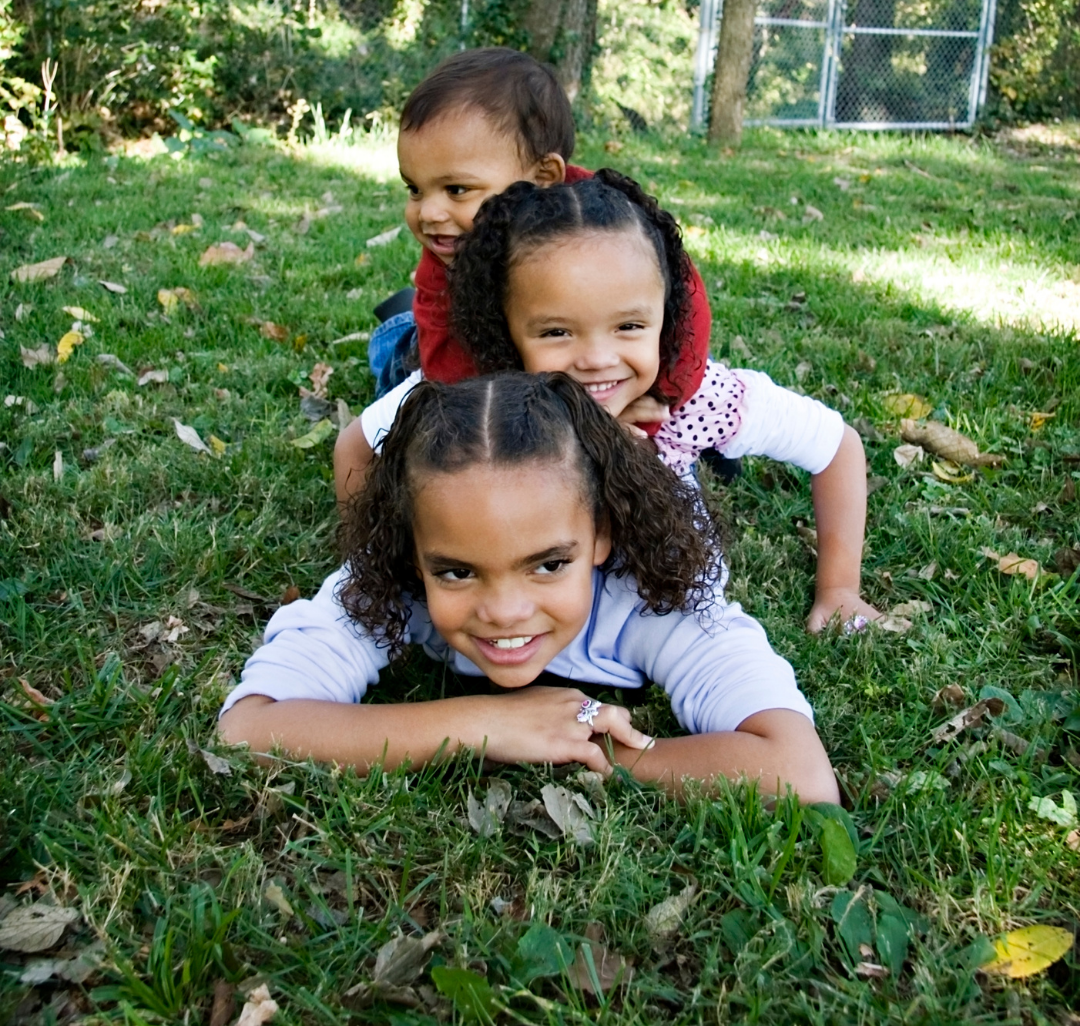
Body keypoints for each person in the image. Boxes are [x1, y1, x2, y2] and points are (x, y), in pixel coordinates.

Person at [221, 373, 838, 802]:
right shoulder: (391, 583)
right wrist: (479, 723)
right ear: (412, 551)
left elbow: (798, 771)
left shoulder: (656, 598)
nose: (505, 612)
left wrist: (602, 753)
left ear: (603, 537)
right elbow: (248, 728)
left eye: (547, 565)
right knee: (405, 348)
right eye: (457, 572)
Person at [349, 173, 882, 634]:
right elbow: (355, 446)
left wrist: (839, 588)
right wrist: (382, 568)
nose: (598, 360)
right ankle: (401, 326)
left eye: (629, 326)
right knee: (401, 351)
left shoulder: (693, 402)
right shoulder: (476, 406)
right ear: (506, 331)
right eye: (557, 332)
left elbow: (836, 446)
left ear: (666, 315)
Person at [337, 46, 729, 496]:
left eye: (457, 189)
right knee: (404, 363)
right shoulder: (449, 256)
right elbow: (452, 376)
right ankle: (395, 328)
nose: (428, 212)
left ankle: (709, 440)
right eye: (415, 189)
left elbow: (685, 304)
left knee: (676, 379)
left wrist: (661, 397)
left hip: (573, 347)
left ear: (544, 176)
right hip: (473, 347)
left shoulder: (605, 226)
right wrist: (564, 420)